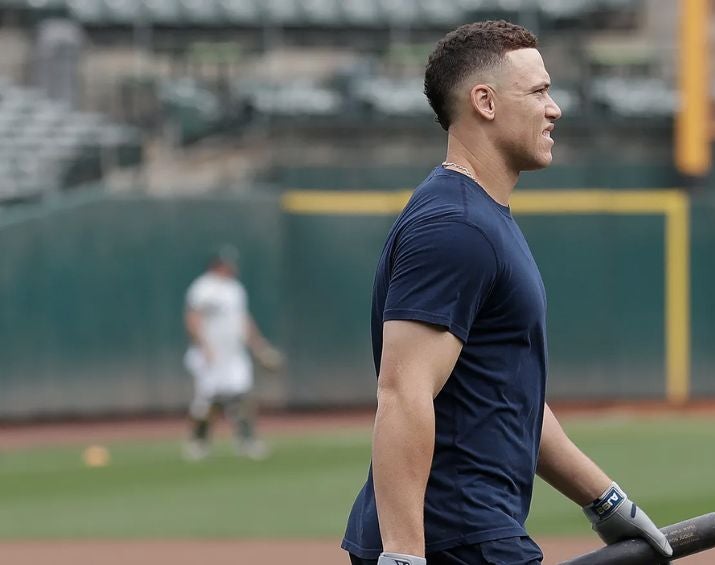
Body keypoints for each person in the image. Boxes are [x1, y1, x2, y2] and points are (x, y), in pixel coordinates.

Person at [342, 20, 673, 565]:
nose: (555, 108)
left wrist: (607, 501)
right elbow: (403, 392)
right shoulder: (457, 226)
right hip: (456, 535)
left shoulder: (479, 218)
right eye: (539, 91)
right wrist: (403, 556)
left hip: (472, 531)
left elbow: (510, 397)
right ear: (485, 102)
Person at [182, 244, 283, 462]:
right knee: (209, 400)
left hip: (234, 353)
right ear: (218, 265)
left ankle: (246, 440)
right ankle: (198, 441)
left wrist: (259, 346)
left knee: (243, 396)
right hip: (210, 354)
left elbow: (243, 321)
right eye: (228, 263)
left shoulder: (235, 289)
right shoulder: (203, 288)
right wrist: (203, 346)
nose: (232, 267)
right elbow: (192, 319)